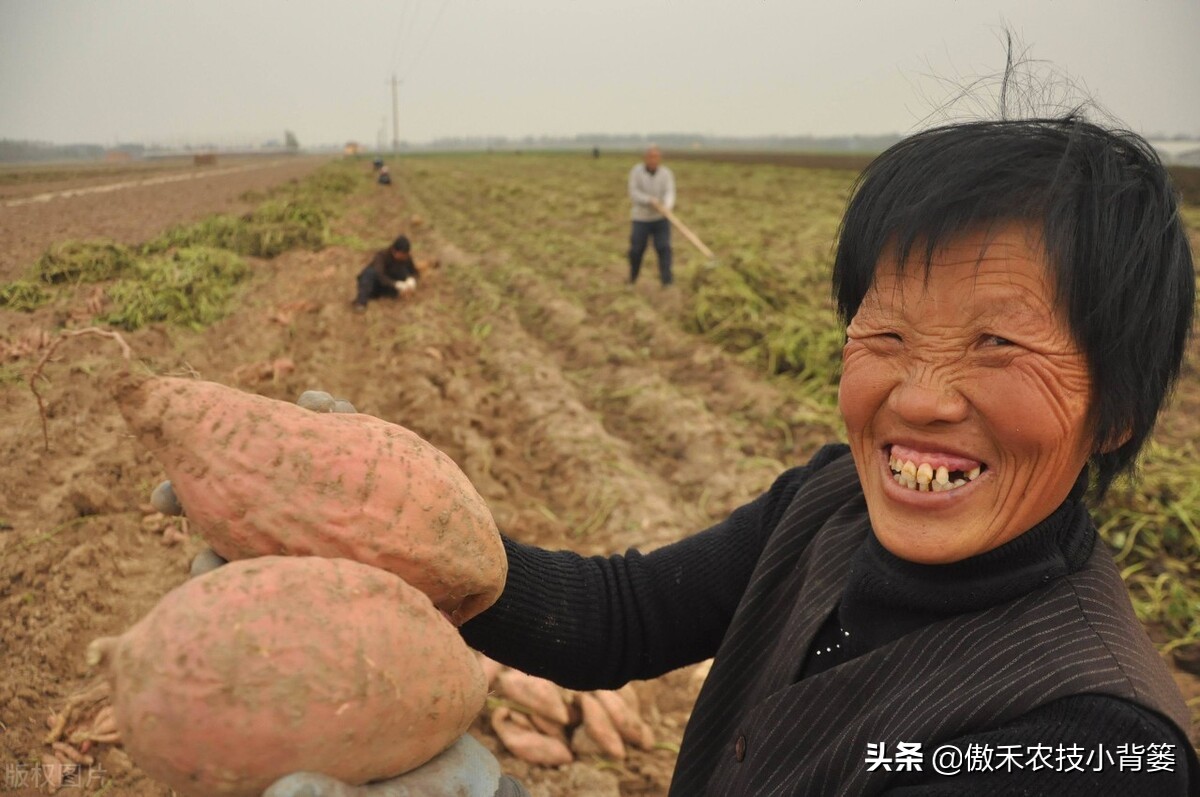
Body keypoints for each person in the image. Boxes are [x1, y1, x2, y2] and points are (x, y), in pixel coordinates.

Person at [175, 115, 1198, 796]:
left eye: (999, 344)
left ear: (1112, 410)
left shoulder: (1092, 745)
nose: (920, 397)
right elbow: (624, 616)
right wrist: (407, 535)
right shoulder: (830, 500)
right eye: (884, 334)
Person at [627, 145, 676, 286]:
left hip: (660, 219)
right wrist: (649, 200)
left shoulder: (666, 174)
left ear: (659, 159)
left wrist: (667, 207)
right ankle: (633, 278)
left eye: (656, 157)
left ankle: (667, 282)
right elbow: (633, 192)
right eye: (650, 157)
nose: (653, 160)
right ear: (645, 158)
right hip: (641, 218)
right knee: (636, 250)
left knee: (664, 248)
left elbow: (670, 192)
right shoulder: (636, 172)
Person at [352, 235, 417, 312]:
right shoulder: (381, 256)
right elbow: (380, 275)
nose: (404, 257)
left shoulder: (406, 258)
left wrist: (410, 279)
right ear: (394, 251)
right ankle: (361, 303)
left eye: (405, 255)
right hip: (375, 285)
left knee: (402, 271)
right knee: (369, 273)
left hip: (389, 289)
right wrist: (395, 284)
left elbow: (413, 271)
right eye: (402, 255)